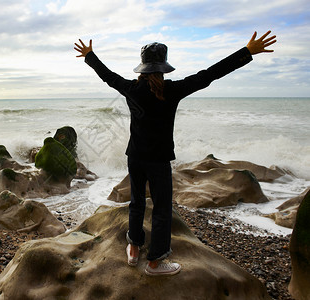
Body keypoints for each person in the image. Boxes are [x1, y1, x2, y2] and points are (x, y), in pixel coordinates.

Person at [74, 31, 276, 276]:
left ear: (143, 68)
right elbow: (209, 75)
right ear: (162, 68)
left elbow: (108, 76)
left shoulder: (131, 88)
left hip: (135, 156)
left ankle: (134, 247)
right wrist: (246, 52)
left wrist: (89, 55)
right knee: (161, 208)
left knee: (136, 203)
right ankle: (155, 262)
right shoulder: (172, 90)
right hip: (158, 161)